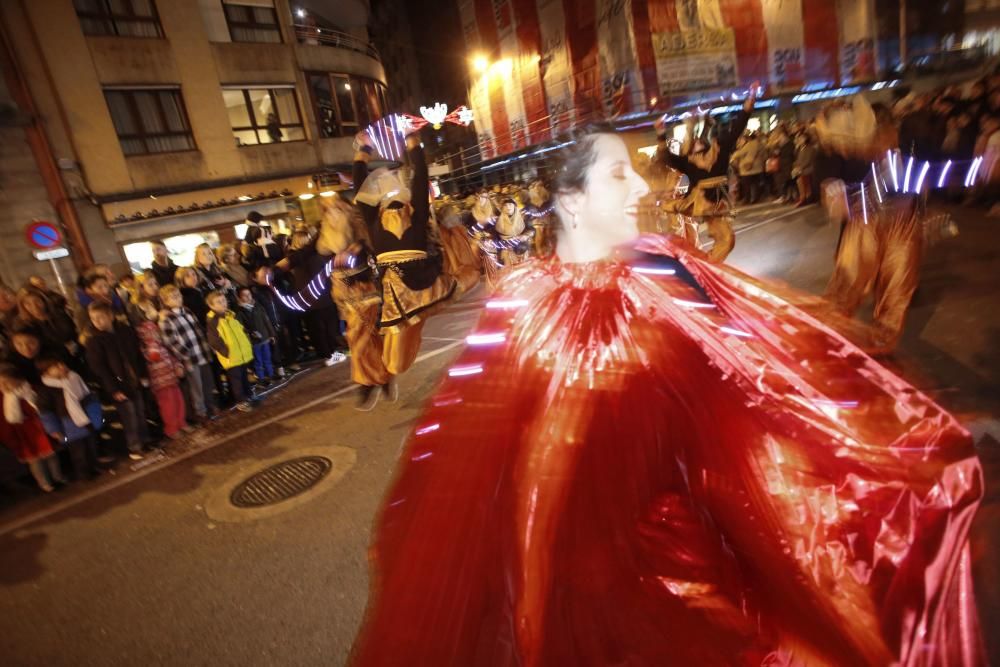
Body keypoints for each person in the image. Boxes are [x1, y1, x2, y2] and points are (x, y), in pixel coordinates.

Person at [351, 125, 984, 665]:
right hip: (588, 592)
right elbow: (497, 465)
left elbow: (763, 367)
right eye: (619, 175)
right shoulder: (523, 302)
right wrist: (534, 602)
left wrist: (887, 444)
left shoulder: (665, 269)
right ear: (571, 200)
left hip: (687, 561)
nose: (644, 188)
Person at [350, 125, 456, 410]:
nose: (388, 186)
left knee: (397, 359)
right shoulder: (373, 215)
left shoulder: (417, 211)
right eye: (381, 184)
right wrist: (364, 150)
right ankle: (370, 380)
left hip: (416, 287)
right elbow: (358, 183)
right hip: (385, 286)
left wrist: (412, 144)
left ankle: (385, 375)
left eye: (393, 181)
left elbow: (421, 176)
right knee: (360, 330)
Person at [654, 85, 756, 262]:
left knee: (725, 239)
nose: (696, 141)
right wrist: (661, 133)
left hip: (718, 199)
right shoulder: (687, 161)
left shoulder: (720, 150)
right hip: (702, 201)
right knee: (727, 239)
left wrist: (749, 103)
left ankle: (708, 266)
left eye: (699, 139)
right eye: (693, 140)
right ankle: (709, 269)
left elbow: (737, 129)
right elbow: (666, 157)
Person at [84, 301, 150, 460]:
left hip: (134, 380)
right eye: (94, 319)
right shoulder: (94, 341)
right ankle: (134, 446)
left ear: (110, 316)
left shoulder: (125, 331)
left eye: (101, 317)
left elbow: (137, 354)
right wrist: (114, 389)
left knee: (140, 412)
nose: (97, 321)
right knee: (129, 417)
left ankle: (145, 440)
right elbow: (100, 369)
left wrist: (143, 375)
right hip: (119, 385)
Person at [0, 364, 66, 492]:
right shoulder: (5, 398)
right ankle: (44, 483)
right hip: (24, 435)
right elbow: (7, 422)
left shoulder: (30, 390)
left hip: (39, 428)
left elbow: (40, 406)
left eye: (6, 383)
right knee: (35, 462)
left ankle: (58, 477)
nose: (4, 387)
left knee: (51, 456)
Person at [35, 357, 103, 480]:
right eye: (55, 366)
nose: (61, 367)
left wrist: (96, 414)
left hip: (87, 419)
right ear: (46, 372)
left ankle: (94, 466)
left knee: (91, 445)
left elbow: (88, 396)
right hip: (68, 424)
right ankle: (84, 473)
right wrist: (53, 429)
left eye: (62, 363)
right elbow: (46, 412)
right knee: (78, 452)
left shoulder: (74, 378)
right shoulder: (46, 390)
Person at [158, 284, 217, 422]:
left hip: (201, 352)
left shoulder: (188, 311)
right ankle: (200, 411)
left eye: (178, 295)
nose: (177, 298)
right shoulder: (167, 319)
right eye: (173, 297)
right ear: (166, 301)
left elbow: (198, 330)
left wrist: (206, 346)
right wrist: (185, 353)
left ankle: (210, 406)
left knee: (208, 382)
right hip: (190, 358)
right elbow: (170, 341)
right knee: (196, 387)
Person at [134, 300, 187, 439]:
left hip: (171, 377)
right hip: (160, 381)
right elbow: (152, 358)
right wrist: (152, 345)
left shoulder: (161, 345)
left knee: (178, 400)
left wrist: (177, 365)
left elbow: (170, 355)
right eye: (153, 333)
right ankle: (171, 428)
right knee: (167, 405)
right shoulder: (146, 348)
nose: (156, 334)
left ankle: (181, 423)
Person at [204, 290, 254, 412]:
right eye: (218, 302)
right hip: (231, 357)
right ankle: (240, 401)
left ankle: (248, 396)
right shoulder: (213, 321)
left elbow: (240, 331)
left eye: (223, 300)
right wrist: (226, 352)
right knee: (236, 381)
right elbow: (214, 340)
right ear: (211, 306)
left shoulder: (230, 315)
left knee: (244, 377)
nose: (223, 303)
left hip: (240, 354)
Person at [235, 286, 276, 386]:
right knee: (258, 361)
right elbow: (240, 327)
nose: (248, 297)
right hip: (253, 342)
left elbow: (266, 321)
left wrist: (272, 334)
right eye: (244, 295)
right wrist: (249, 333)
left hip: (265, 338)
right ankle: (261, 378)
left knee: (267, 357)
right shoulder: (240, 312)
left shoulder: (258, 306)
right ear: (240, 298)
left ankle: (270, 375)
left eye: (249, 294)